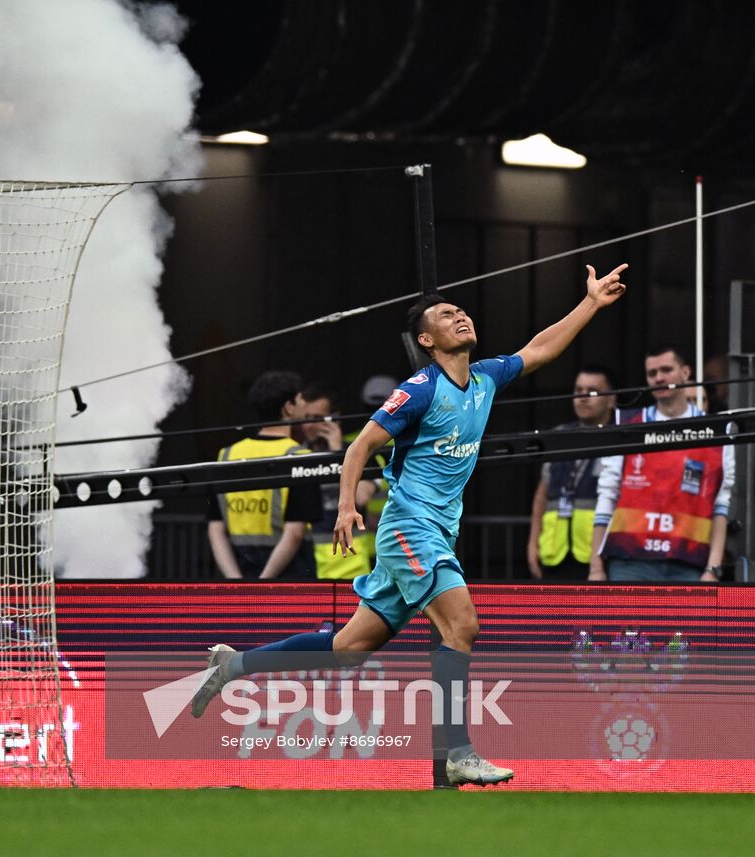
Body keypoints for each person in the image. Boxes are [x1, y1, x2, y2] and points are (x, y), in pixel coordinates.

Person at [191, 263, 629, 787]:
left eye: (461, 309)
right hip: (408, 528)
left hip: (433, 532)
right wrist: (349, 505)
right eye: (447, 314)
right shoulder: (420, 388)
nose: (461, 315)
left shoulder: (486, 377)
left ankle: (234, 665)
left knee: (349, 650)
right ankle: (459, 754)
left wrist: (591, 304)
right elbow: (361, 445)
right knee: (462, 625)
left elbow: (540, 349)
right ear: (427, 339)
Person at [590, 345, 735, 583]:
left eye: (666, 370)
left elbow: (721, 505)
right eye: (652, 373)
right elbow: (607, 494)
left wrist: (713, 569)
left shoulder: (716, 431)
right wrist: (596, 567)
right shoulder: (627, 425)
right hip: (630, 559)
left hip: (688, 562)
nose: (659, 378)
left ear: (686, 373)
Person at [206, 370, 321, 580]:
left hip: (239, 569)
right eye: (301, 399)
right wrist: (263, 584)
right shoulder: (300, 457)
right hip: (289, 577)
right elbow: (294, 533)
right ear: (288, 407)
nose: (305, 405)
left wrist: (236, 581)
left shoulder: (227, 455)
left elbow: (215, 528)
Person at [525, 365, 617, 580]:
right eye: (578, 390)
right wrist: (532, 543)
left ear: (611, 399)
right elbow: (542, 493)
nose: (583, 397)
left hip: (598, 555)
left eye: (592, 391)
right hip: (554, 551)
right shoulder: (558, 436)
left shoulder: (619, 437)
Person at [294, 383, 382, 580]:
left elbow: (360, 498)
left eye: (317, 419)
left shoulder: (361, 454)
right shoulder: (295, 454)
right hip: (303, 559)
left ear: (334, 417)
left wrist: (338, 455)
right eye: (306, 418)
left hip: (347, 563)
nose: (309, 425)